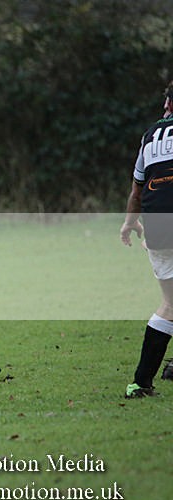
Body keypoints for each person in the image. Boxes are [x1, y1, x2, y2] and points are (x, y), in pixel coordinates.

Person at [120, 81, 173, 398]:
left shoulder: (150, 135)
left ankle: (141, 383)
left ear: (167, 105)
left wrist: (129, 224)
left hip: (157, 227)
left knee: (170, 303)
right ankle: (140, 380)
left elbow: (137, 191)